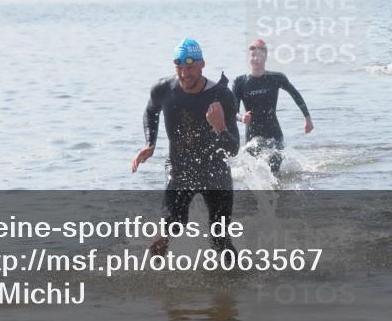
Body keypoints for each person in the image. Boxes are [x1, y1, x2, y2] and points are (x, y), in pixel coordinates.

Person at [132, 38, 240, 255]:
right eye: (179, 67)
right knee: (171, 227)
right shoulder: (163, 89)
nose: (184, 74)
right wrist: (150, 143)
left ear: (202, 64)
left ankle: (239, 275)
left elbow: (233, 149)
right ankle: (151, 275)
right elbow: (151, 111)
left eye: (189, 67)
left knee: (220, 240)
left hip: (215, 172)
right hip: (180, 169)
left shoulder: (222, 96)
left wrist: (220, 127)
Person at [232, 39, 313, 177]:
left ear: (266, 56)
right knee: (254, 163)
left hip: (274, 132)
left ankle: (278, 189)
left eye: (259, 55)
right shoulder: (240, 82)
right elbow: (232, 111)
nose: (256, 59)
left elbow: (295, 95)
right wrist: (242, 118)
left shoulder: (276, 78)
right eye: (253, 55)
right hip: (253, 134)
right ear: (248, 57)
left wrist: (307, 119)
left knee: (274, 162)